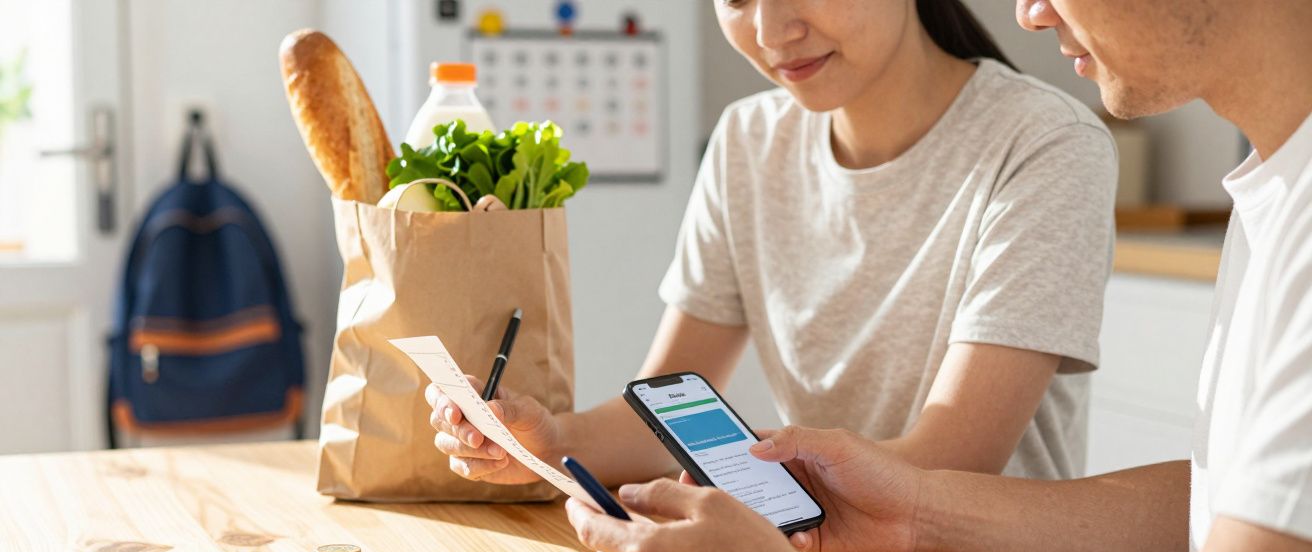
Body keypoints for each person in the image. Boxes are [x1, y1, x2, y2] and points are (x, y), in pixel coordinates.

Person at [565, 0, 1312, 552]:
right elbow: (1223, 510)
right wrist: (918, 509)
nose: (1030, 13)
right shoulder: (1276, 195)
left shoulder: (1050, 140)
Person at [426, 0, 1117, 485]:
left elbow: (951, 463)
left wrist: (733, 471)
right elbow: (666, 410)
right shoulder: (748, 142)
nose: (770, 30)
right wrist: (552, 441)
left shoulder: (1043, 144)